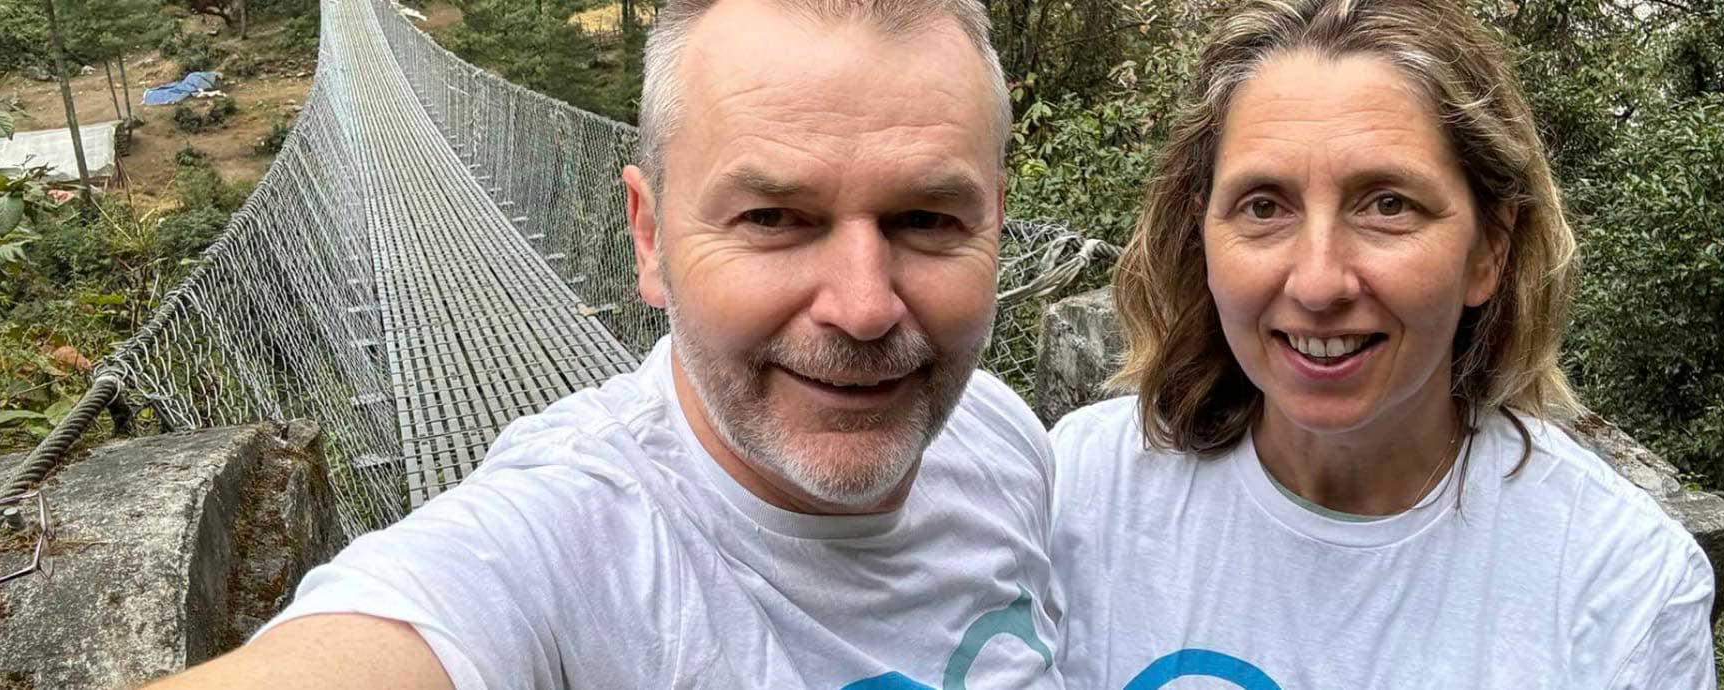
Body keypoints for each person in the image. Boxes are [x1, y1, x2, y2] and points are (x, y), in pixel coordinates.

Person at [149, 0, 1063, 688]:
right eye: (775, 217)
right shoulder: (557, 544)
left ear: (995, 225)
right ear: (650, 236)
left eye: (928, 218)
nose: (864, 309)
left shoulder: (1000, 433)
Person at [1047, 0, 1717, 687]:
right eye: (1264, 206)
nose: (1317, 283)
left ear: (1490, 247)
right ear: (1204, 237)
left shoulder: (1621, 591)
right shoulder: (1080, 493)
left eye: (1387, 204)